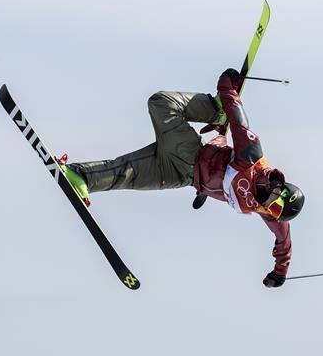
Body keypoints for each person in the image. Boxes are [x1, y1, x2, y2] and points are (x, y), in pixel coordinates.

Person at [62, 68, 304, 288]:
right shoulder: (252, 157)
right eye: (274, 202)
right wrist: (226, 88)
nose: (267, 207)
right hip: (189, 152)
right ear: (278, 186)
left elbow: (284, 241)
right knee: (160, 102)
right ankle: (213, 109)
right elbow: (238, 120)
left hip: (181, 176)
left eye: (273, 211)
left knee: (127, 175)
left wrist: (279, 272)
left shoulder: (266, 209)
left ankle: (81, 176)